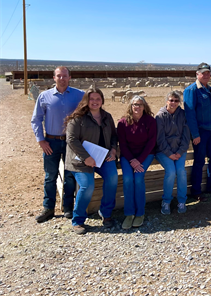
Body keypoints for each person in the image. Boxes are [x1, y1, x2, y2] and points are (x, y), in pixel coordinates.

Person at [31, 66, 85, 223]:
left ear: (69, 77)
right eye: (58, 76)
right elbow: (36, 119)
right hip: (51, 142)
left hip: (72, 142)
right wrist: (40, 140)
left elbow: (88, 115)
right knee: (50, 176)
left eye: (64, 76)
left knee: (69, 175)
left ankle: (68, 207)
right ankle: (48, 208)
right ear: (53, 78)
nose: (62, 79)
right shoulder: (44, 96)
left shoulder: (80, 95)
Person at [64, 88, 118, 234]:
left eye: (98, 99)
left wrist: (113, 150)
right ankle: (78, 220)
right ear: (86, 101)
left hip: (102, 157)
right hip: (81, 160)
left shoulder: (107, 117)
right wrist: (86, 157)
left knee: (113, 177)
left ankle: (106, 213)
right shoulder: (77, 118)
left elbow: (114, 136)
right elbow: (71, 139)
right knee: (87, 186)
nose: (95, 102)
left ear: (102, 101)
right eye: (92, 99)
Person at [183, 62, 211, 201]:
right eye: (203, 73)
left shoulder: (210, 90)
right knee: (199, 161)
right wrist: (195, 134)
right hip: (200, 132)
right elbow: (190, 114)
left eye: (208, 73)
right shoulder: (191, 90)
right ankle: (196, 191)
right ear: (197, 74)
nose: (206, 75)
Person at [118, 95, 157, 229]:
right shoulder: (123, 122)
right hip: (127, 156)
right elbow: (122, 144)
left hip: (145, 155)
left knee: (138, 178)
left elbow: (151, 142)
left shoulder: (150, 121)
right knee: (128, 179)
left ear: (144, 106)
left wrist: (139, 160)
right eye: (135, 104)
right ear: (131, 106)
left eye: (140, 104)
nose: (137, 107)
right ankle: (129, 214)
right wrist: (132, 160)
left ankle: (140, 213)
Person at [155, 91, 191, 215]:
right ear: (167, 101)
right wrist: (169, 153)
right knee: (171, 172)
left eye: (176, 101)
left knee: (181, 171)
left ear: (179, 102)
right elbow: (160, 139)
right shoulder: (160, 116)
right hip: (163, 151)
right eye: (171, 100)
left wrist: (180, 151)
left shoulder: (183, 115)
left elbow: (186, 136)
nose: (173, 103)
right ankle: (166, 201)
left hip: (179, 151)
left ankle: (181, 200)